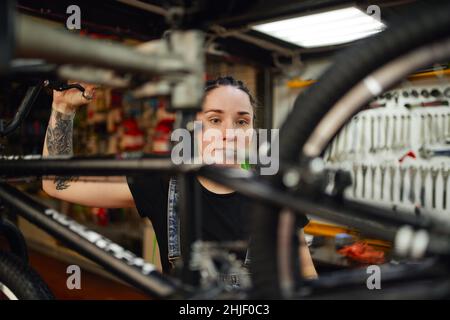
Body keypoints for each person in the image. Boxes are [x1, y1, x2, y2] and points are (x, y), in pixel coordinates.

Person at [42, 76, 317, 279]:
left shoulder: (275, 191)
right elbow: (57, 184)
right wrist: (63, 110)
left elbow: (305, 271)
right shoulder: (163, 184)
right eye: (214, 120)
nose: (229, 132)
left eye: (242, 121)